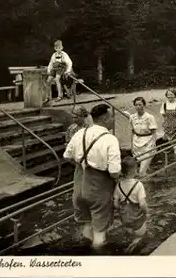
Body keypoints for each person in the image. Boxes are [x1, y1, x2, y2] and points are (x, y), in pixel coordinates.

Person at [63, 104, 122, 250]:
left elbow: (66, 156)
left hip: (79, 186)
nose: (113, 119)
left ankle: (83, 253)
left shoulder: (79, 134)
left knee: (87, 223)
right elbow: (114, 172)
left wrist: (82, 165)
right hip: (98, 188)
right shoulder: (110, 139)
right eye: (111, 117)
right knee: (99, 232)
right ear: (105, 118)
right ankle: (98, 260)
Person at [113, 156, 149, 253]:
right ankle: (133, 246)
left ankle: (131, 244)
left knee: (130, 233)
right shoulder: (138, 185)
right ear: (134, 170)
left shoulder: (118, 185)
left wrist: (122, 211)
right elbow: (142, 205)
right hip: (137, 219)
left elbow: (115, 204)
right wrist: (145, 213)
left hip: (125, 219)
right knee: (140, 235)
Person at [129, 97, 158, 176]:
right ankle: (150, 181)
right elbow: (132, 131)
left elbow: (154, 132)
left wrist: (153, 144)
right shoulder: (132, 117)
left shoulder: (149, 117)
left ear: (144, 105)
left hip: (147, 144)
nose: (138, 107)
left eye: (140, 105)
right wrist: (131, 145)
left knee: (141, 172)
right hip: (136, 144)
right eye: (136, 105)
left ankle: (145, 186)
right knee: (142, 169)